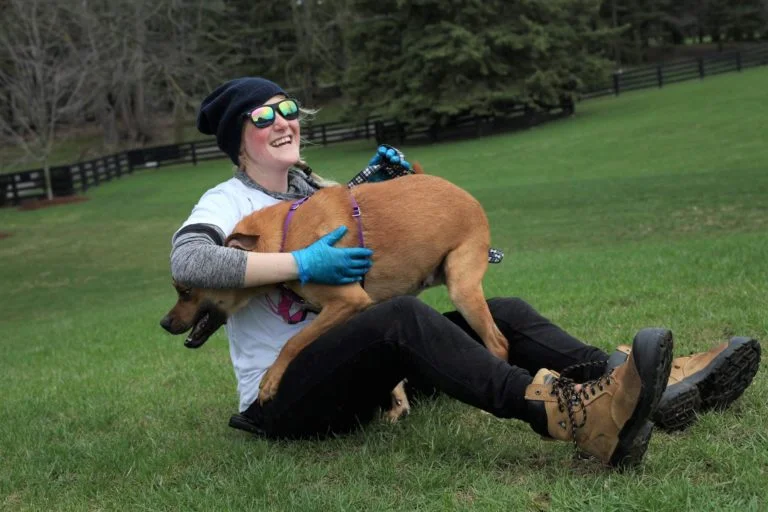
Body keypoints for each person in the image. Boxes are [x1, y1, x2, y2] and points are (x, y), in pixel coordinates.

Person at [170, 77, 761, 468]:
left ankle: (632, 378)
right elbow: (190, 261)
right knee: (404, 320)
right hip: (287, 399)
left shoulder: (317, 189)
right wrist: (301, 262)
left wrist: (399, 207)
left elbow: (378, 253)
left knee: (505, 313)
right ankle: (576, 416)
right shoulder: (226, 203)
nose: (283, 122)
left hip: (363, 375)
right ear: (236, 139)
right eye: (264, 116)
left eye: (289, 111)